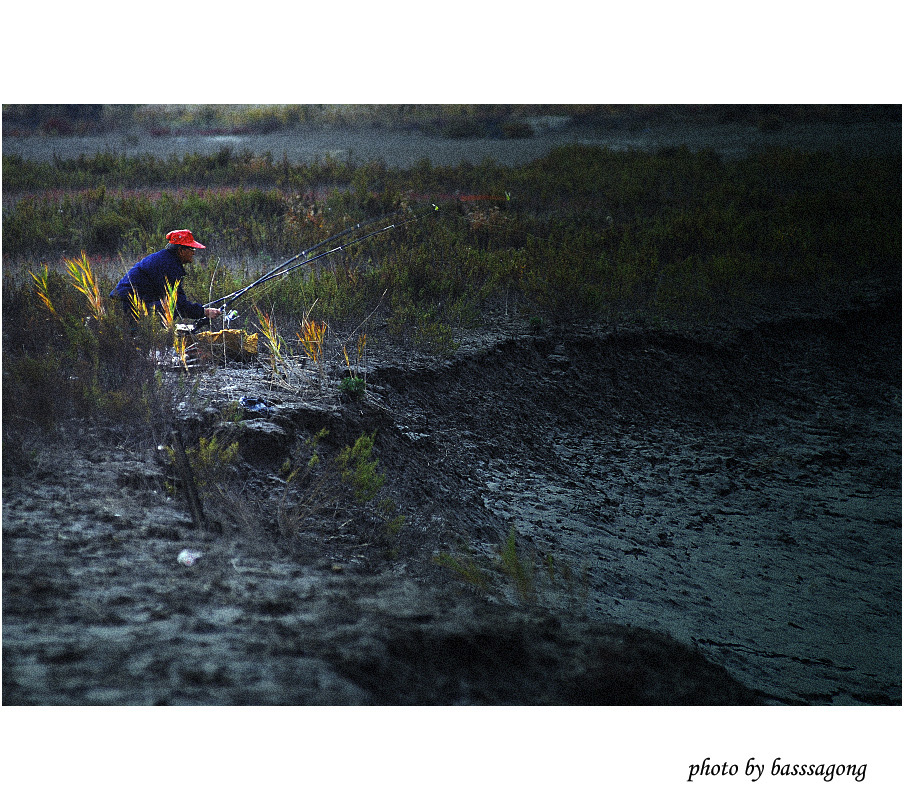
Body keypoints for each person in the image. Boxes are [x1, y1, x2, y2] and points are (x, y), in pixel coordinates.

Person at [110, 229, 221, 321]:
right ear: (181, 250)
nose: (194, 252)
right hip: (127, 306)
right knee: (170, 308)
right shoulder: (168, 265)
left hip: (128, 304)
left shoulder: (166, 260)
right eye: (191, 248)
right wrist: (204, 312)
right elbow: (178, 303)